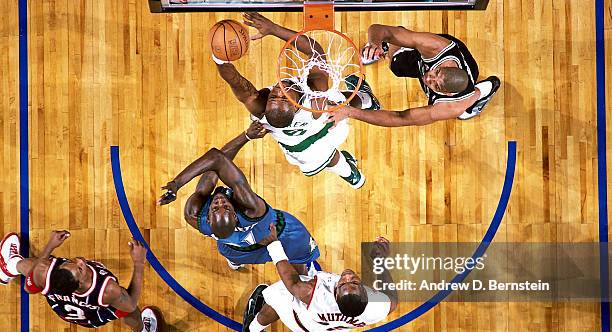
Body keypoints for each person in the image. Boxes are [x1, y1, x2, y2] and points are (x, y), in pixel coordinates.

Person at [214, 12, 381, 189]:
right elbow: (315, 50)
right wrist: (274, 29)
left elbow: (235, 82)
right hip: (314, 140)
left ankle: (354, 173)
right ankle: (353, 171)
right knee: (336, 115)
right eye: (283, 97)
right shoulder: (316, 97)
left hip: (299, 141)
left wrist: (218, 56)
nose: (279, 90)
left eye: (273, 96)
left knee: (336, 115)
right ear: (296, 106)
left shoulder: (260, 108)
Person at [242, 227, 398, 332]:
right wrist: (379, 261)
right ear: (366, 294)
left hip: (297, 316)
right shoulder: (376, 307)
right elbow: (393, 298)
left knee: (278, 300)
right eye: (353, 281)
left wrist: (273, 244)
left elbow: (292, 282)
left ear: (336, 293)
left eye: (344, 283)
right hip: (328, 330)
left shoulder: (315, 294)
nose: (347, 276)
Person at [157, 122, 319, 272]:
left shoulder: (193, 215)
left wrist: (176, 184)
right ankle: (305, 276)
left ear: (208, 220)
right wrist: (246, 136)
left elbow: (214, 166)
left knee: (231, 252)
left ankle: (235, 263)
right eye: (225, 207)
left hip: (235, 250)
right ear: (235, 216)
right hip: (282, 234)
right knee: (300, 263)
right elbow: (216, 160)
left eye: (215, 208)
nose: (219, 201)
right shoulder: (252, 208)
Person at [0, 230, 160, 332]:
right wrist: (139, 263)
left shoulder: (47, 274)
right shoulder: (107, 290)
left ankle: (9, 265)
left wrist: (50, 246)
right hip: (94, 315)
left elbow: (30, 286)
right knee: (129, 311)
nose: (80, 261)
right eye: (80, 269)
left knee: (32, 266)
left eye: (72, 262)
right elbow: (131, 303)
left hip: (63, 309)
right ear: (80, 284)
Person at [327, 23, 501, 127]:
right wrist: (375, 42)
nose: (429, 78)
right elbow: (379, 28)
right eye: (437, 72)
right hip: (440, 53)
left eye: (436, 85)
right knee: (396, 53)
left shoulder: (451, 106)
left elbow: (400, 118)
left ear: (447, 94)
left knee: (467, 104)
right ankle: (392, 45)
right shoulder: (436, 47)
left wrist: (351, 112)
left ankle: (486, 92)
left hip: (465, 97)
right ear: (442, 66)